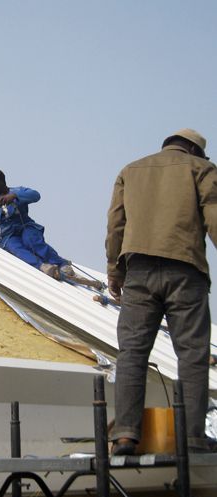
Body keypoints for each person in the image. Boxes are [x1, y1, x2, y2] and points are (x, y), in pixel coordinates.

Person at [105, 128, 217, 455]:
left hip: (138, 272)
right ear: (195, 151)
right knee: (192, 355)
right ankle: (193, 437)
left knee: (132, 354)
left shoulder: (131, 170)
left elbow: (115, 225)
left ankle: (125, 435)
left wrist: (115, 270)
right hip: (185, 271)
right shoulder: (201, 170)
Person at [0, 169, 73, 278]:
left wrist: (15, 196)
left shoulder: (18, 190)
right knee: (15, 248)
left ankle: (61, 263)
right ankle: (43, 266)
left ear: (1, 181)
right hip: (9, 235)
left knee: (31, 240)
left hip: (25, 226)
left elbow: (36, 195)